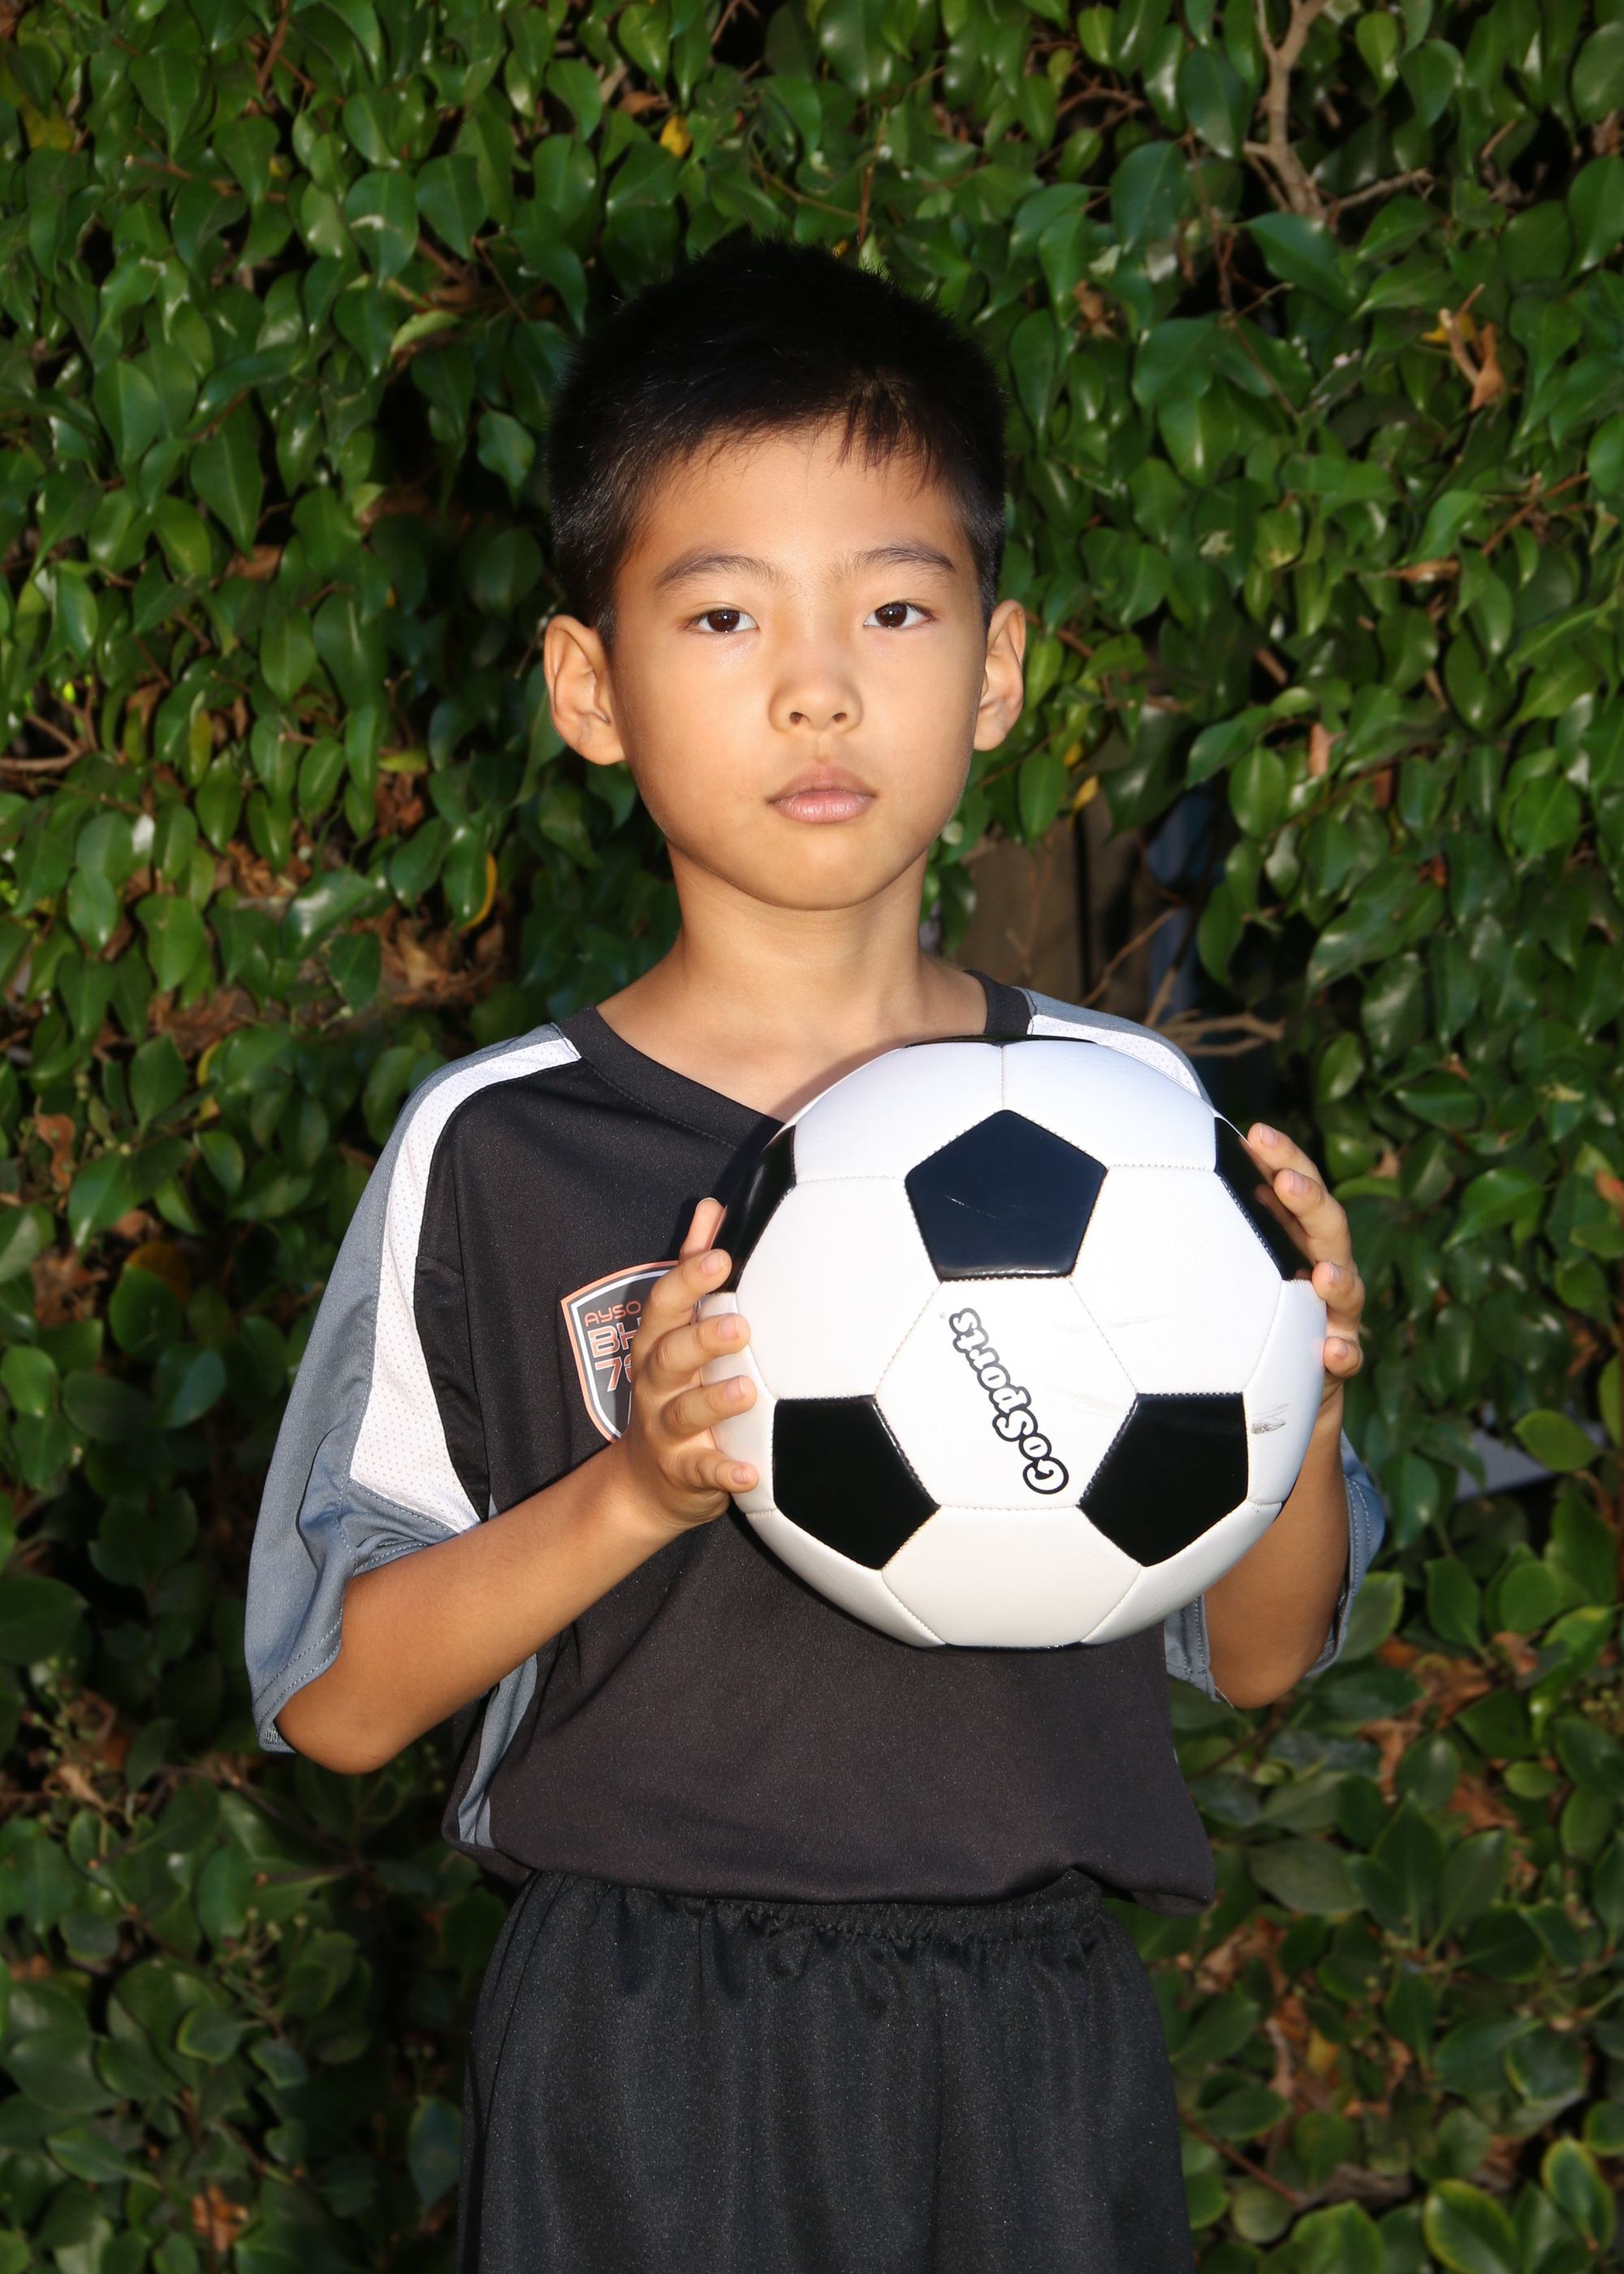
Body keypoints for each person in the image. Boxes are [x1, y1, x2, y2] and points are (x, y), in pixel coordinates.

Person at [246, 238, 1384, 2274]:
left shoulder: (1137, 1120)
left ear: (998, 666)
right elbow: (333, 1697)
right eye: (721, 612)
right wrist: (636, 1485)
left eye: (892, 605)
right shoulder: (501, 1144)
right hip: (643, 2037)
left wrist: (1295, 1390)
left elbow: (1262, 1651)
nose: (817, 683)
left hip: (1030, 2042)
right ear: (587, 686)